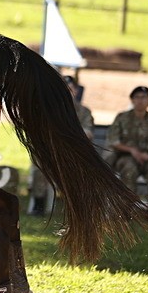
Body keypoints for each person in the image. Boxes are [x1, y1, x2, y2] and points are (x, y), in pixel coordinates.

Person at [29, 75, 94, 215]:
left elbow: (88, 132)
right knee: (39, 166)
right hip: (50, 151)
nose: (68, 93)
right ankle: (39, 204)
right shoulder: (48, 110)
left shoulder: (84, 112)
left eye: (70, 89)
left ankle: (76, 207)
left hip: (73, 153)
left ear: (76, 91)